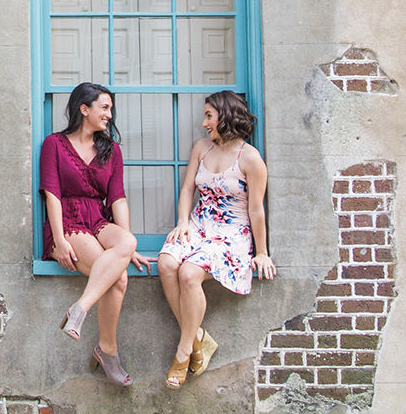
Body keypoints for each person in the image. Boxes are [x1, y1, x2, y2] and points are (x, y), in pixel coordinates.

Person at [157, 89, 275, 389]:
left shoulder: (250, 158)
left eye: (209, 115)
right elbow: (187, 190)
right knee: (167, 263)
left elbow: (256, 209)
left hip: (232, 232)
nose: (204, 123)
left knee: (188, 273)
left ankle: (184, 353)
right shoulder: (202, 148)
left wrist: (261, 252)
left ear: (226, 115)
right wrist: (183, 222)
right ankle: (197, 337)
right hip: (198, 223)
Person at [39, 81, 151, 386]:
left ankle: (80, 309)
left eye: (111, 109)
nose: (110, 115)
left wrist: (127, 249)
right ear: (83, 109)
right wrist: (60, 241)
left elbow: (118, 199)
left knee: (127, 240)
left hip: (98, 219)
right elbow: (51, 193)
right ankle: (108, 351)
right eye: (104, 107)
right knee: (120, 277)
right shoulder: (54, 144)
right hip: (69, 221)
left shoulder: (111, 150)